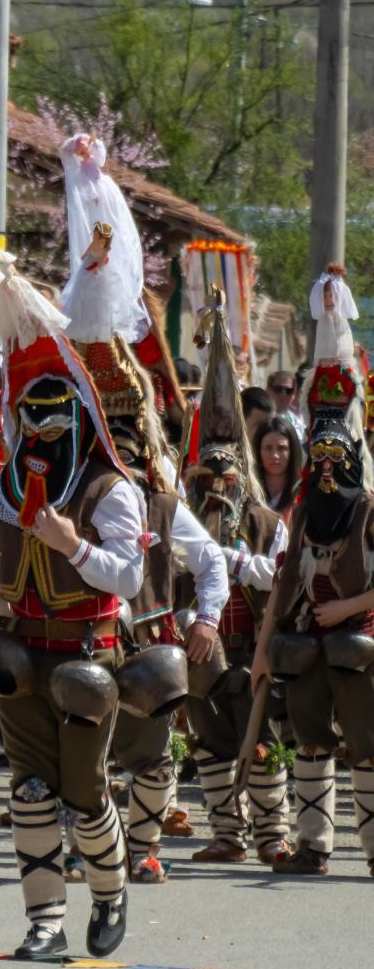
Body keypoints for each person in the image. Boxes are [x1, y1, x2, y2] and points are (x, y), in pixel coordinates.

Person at [0, 242, 143, 962]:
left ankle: (109, 891)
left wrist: (72, 542)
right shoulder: (13, 485)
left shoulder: (113, 490)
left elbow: (129, 579)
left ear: (78, 417)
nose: (37, 431)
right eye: (28, 416)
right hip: (19, 645)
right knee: (30, 790)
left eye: (52, 417)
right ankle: (44, 919)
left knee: (83, 791)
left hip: (87, 654)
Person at [59, 192, 227, 886]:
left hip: (150, 639)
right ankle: (86, 847)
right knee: (82, 750)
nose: (114, 451)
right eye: (104, 436)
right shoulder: (56, 494)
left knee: (155, 758)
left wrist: (209, 616)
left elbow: (211, 557)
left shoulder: (161, 500)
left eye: (123, 437)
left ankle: (141, 844)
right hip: (81, 638)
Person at [249, 267, 374, 878]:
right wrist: (266, 648)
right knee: (309, 740)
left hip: (357, 639)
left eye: (336, 460)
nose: (326, 471)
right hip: (305, 641)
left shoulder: (371, 509)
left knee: (367, 746)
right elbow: (281, 585)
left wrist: (347, 611)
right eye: (316, 459)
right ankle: (314, 846)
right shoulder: (301, 512)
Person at [181, 289, 292, 867]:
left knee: (262, 735)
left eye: (227, 473)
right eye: (209, 473)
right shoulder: (181, 516)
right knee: (209, 737)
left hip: (251, 643)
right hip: (201, 643)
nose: (217, 483)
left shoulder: (265, 520)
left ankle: (272, 832)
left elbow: (284, 577)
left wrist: (239, 563)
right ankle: (227, 831)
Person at [254, 414, 303, 517]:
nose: (275, 456)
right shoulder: (248, 492)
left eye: (281, 448)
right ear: (258, 451)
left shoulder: (303, 492)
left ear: (292, 451)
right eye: (268, 448)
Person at [267, 367, 306, 434]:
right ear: (268, 390)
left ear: (294, 394)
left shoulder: (299, 425)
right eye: (278, 389)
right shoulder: (260, 419)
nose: (283, 395)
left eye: (289, 391)